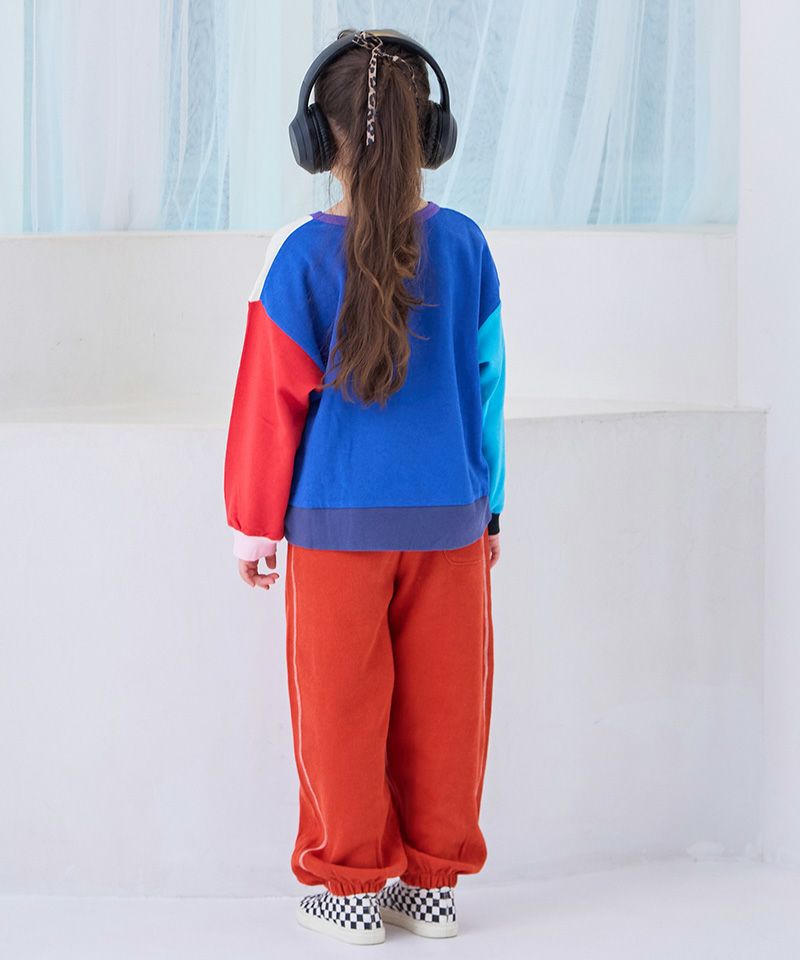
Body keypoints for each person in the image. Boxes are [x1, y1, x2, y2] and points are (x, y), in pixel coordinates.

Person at [223, 28, 506, 946]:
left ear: (319, 142)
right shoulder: (466, 246)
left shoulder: (298, 256)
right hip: (451, 526)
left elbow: (269, 401)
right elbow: (488, 387)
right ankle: (431, 888)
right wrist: (491, 506)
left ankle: (349, 890)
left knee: (340, 707)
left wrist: (253, 526)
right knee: (447, 708)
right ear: (432, 134)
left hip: (336, 529)